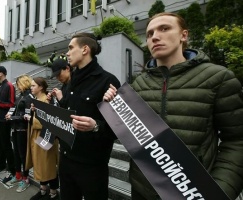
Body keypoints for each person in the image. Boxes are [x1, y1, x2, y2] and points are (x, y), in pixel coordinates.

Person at [103, 12, 243, 200]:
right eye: (150, 33)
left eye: (164, 29)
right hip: (142, 190)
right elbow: (125, 134)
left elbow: (236, 141)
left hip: (193, 192)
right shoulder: (137, 84)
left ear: (183, 35)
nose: (155, 37)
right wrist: (110, 111)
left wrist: (221, 189)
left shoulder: (218, 78)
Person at [57, 32, 121, 200]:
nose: (67, 53)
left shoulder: (108, 81)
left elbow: (118, 128)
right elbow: (70, 111)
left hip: (92, 167)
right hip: (65, 159)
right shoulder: (70, 82)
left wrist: (96, 126)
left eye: (71, 48)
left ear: (85, 49)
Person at [25, 77, 60, 200]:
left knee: (48, 164)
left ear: (41, 87)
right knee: (39, 163)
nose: (31, 87)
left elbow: (49, 122)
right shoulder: (37, 100)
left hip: (46, 136)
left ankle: (53, 192)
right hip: (36, 136)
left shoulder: (46, 100)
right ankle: (43, 189)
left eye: (34, 85)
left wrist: (32, 119)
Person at [5, 75, 33, 192]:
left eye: (18, 84)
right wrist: (9, 115)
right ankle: (17, 175)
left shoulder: (29, 97)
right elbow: (14, 110)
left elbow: (27, 116)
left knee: (23, 155)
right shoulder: (19, 96)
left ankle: (25, 178)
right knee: (16, 153)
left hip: (23, 130)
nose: (16, 86)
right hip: (15, 129)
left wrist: (13, 117)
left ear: (23, 83)